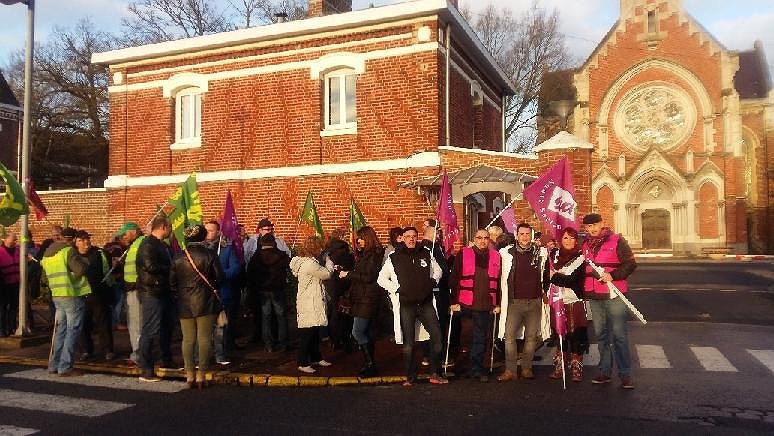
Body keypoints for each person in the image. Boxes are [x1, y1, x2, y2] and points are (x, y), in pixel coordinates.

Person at [377, 227, 447, 387]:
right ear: (402, 238)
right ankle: (410, 376)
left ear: (417, 237)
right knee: (409, 343)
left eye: (414, 236)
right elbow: (381, 279)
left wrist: (433, 281)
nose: (411, 239)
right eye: (408, 236)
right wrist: (397, 288)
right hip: (406, 305)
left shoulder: (426, 253)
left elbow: (438, 270)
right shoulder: (394, 257)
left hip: (426, 303)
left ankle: (435, 373)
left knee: (437, 337)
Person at [581, 213, 637, 389]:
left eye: (595, 225)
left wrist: (613, 275)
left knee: (619, 335)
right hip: (595, 296)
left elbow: (630, 263)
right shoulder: (585, 245)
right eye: (589, 226)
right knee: (600, 336)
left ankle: (625, 374)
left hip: (615, 295)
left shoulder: (617, 240)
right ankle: (605, 371)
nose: (592, 229)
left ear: (601, 224)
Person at [170, 224, 223, 388]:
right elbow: (220, 277)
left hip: (185, 303)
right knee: (204, 338)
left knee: (188, 339)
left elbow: (172, 282)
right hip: (205, 301)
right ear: (202, 237)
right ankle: (201, 375)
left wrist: (181, 293)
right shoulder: (210, 254)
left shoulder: (178, 256)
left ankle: (189, 374)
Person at [497, 222, 549, 382]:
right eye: (522, 234)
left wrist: (546, 292)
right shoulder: (506, 253)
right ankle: (510, 370)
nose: (525, 237)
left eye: (527, 234)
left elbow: (548, 274)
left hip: (534, 301)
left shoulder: (541, 253)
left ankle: (527, 368)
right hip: (514, 302)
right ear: (517, 235)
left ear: (531, 235)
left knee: (531, 337)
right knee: (509, 336)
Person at [449, 229, 501, 382]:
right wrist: (453, 301)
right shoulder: (463, 253)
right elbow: (454, 277)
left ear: (489, 240)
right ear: (474, 239)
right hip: (465, 301)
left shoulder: (496, 256)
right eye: (479, 238)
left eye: (486, 238)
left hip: (485, 303)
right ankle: (460, 365)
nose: (483, 241)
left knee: (480, 338)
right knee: (463, 336)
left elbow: (498, 281)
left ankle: (476, 369)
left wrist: (497, 302)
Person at [42, 227, 90, 376]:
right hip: (71, 295)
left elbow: (44, 278)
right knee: (72, 331)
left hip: (57, 295)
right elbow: (80, 270)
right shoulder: (68, 251)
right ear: (73, 239)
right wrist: (84, 260)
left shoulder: (48, 254)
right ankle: (65, 366)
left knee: (60, 331)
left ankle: (54, 365)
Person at [338, 226, 384, 377]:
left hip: (367, 298)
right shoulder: (366, 254)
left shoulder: (374, 255)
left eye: (361, 238)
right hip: (363, 297)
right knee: (366, 332)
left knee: (357, 331)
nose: (358, 241)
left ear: (368, 238)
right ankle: (370, 364)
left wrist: (348, 274)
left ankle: (370, 364)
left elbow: (369, 277)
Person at [136, 215, 175, 382]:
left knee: (167, 326)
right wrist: (170, 268)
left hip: (164, 290)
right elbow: (149, 265)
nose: (171, 231)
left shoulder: (163, 245)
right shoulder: (148, 244)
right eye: (170, 227)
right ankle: (146, 368)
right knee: (150, 330)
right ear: (163, 227)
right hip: (151, 292)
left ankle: (167, 359)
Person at [547, 227, 588, 382]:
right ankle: (560, 366)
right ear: (560, 240)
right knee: (560, 334)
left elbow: (573, 281)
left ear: (576, 240)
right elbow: (545, 275)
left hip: (574, 300)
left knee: (575, 334)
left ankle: (576, 367)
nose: (568, 241)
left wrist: (554, 277)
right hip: (557, 301)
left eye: (572, 238)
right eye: (565, 238)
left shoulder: (581, 258)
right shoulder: (554, 255)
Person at [290, 236, 333, 374]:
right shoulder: (310, 264)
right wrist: (329, 262)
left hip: (309, 300)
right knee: (307, 333)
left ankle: (316, 357)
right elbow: (326, 274)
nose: (321, 250)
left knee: (314, 331)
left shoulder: (306, 262)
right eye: (319, 247)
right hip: (310, 301)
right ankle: (302, 362)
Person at [204, 221, 241, 365]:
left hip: (222, 294)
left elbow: (235, 268)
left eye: (211, 230)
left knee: (220, 327)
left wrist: (221, 275)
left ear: (218, 232)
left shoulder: (226, 250)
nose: (208, 233)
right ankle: (204, 356)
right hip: (204, 296)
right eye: (206, 230)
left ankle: (220, 355)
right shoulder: (200, 250)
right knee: (204, 329)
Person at [245, 233, 289, 352]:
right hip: (278, 289)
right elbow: (290, 267)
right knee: (281, 317)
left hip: (263, 290)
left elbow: (250, 273)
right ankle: (283, 343)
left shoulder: (257, 257)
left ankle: (268, 344)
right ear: (273, 243)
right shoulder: (281, 255)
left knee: (265, 317)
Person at [75, 230, 115, 361]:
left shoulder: (99, 253)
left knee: (103, 323)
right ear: (76, 242)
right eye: (81, 240)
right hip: (81, 294)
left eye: (87, 239)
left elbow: (110, 270)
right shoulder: (73, 255)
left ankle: (108, 350)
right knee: (83, 324)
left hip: (98, 293)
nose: (85, 242)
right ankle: (86, 350)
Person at [321, 235, 354, 351]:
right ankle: (345, 339)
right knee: (346, 313)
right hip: (345, 286)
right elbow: (352, 269)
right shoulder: (347, 255)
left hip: (330, 287)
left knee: (333, 314)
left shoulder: (327, 255)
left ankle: (334, 340)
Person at [119, 221, 144, 366]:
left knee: (136, 324)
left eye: (125, 234)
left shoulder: (140, 244)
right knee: (135, 323)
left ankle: (138, 355)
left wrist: (137, 283)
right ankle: (138, 353)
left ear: (134, 231)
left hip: (136, 289)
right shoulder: (133, 245)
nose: (123, 236)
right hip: (132, 289)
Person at [0, 232, 20, 337]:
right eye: (13, 239)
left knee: (13, 306)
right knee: (2, 307)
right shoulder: (0, 251)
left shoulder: (18, 251)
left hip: (15, 283)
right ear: (5, 239)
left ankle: (12, 327)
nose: (15, 241)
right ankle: (2, 329)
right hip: (3, 284)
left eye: (16, 239)